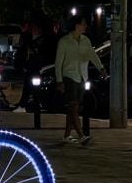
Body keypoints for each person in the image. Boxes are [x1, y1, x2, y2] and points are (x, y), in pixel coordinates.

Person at [54, 15, 105, 144]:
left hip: (82, 76)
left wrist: (101, 68)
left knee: (73, 107)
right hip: (69, 76)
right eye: (83, 24)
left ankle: (67, 135)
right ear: (77, 26)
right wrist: (59, 80)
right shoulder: (64, 41)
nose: (85, 26)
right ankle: (81, 135)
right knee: (74, 105)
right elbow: (58, 62)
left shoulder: (85, 40)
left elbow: (92, 55)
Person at [13, 20, 57, 113]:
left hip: (40, 67)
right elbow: (22, 51)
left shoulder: (45, 39)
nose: (34, 29)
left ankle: (29, 104)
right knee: (29, 85)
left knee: (33, 86)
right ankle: (25, 104)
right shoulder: (27, 38)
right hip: (31, 66)